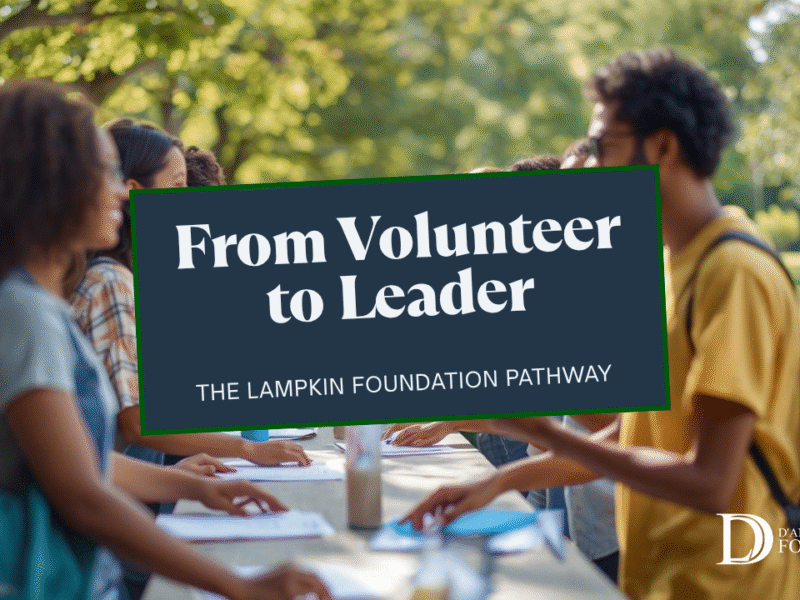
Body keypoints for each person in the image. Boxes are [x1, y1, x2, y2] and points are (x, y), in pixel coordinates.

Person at [405, 47, 800, 600]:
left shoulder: (732, 273)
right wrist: (497, 482)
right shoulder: (676, 267)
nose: (589, 167)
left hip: (725, 585)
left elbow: (711, 481)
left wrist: (540, 430)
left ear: (663, 146)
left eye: (601, 146)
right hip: (662, 578)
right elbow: (634, 435)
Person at [0, 79, 330, 600]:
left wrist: (195, 487)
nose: (120, 191)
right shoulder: (28, 314)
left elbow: (85, 464)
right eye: (106, 172)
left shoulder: (40, 307)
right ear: (51, 181)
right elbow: (84, 495)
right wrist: (239, 586)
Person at [70, 119, 311, 469]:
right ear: (134, 192)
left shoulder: (124, 279)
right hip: (117, 489)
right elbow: (137, 423)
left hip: (138, 475)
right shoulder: (111, 282)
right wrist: (246, 449)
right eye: (178, 185)